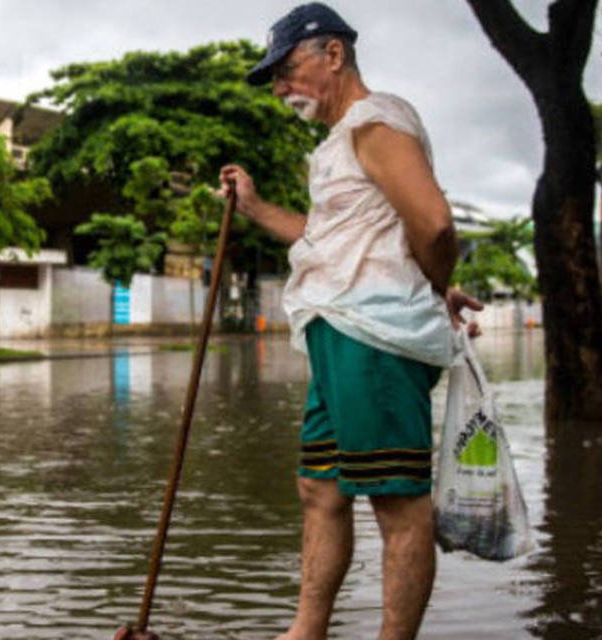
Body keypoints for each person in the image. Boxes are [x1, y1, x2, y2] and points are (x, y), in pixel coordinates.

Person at [219, 4, 483, 639]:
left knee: (397, 503)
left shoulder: (376, 122)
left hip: (376, 341)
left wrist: (438, 285)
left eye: (286, 71)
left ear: (332, 55)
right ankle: (304, 633)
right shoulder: (341, 144)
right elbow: (332, 241)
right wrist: (253, 208)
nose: (281, 89)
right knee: (321, 491)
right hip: (337, 334)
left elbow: (436, 223)